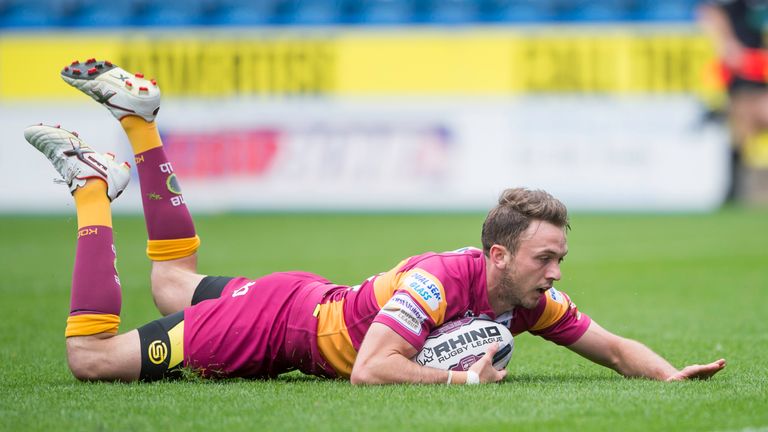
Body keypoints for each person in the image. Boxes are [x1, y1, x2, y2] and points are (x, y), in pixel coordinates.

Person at [25, 58, 726, 385]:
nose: (556, 272)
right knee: (92, 359)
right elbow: (369, 370)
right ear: (498, 256)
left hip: (305, 298)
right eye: (545, 258)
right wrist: (461, 383)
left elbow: (613, 348)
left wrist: (669, 376)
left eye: (559, 258)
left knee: (170, 283)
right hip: (274, 329)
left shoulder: (529, 300)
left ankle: (140, 126)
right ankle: (93, 187)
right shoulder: (437, 281)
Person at [698, 0, 768, 199]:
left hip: (760, 82)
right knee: (741, 136)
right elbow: (708, 11)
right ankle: (734, 189)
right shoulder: (733, 7)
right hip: (742, 86)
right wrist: (728, 43)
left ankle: (740, 188)